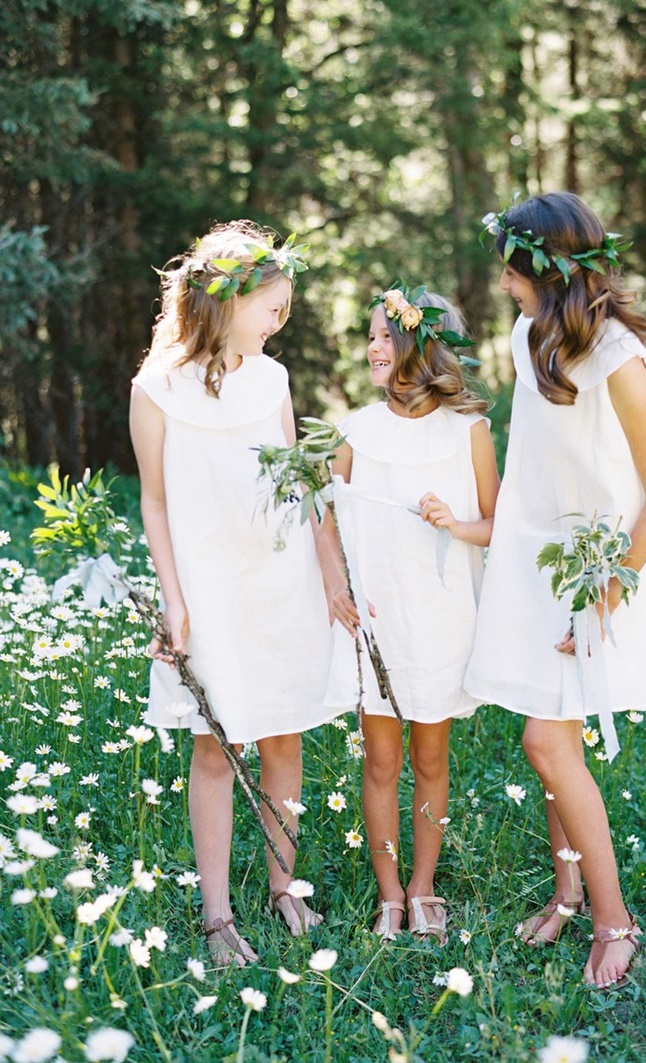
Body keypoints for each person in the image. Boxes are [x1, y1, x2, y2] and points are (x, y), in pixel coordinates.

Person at [465, 192, 646, 989]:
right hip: (534, 560)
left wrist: (603, 597)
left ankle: (614, 920)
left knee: (545, 741)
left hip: (599, 572)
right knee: (551, 733)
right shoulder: (529, 335)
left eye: (512, 272)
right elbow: (537, 461)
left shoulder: (618, 357)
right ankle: (567, 891)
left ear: (540, 269)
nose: (505, 285)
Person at [129, 220, 335, 963]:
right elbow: (154, 501)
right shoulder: (155, 389)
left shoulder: (271, 378)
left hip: (279, 578)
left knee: (285, 732)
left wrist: (330, 569)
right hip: (210, 586)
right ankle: (217, 914)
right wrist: (173, 598)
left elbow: (296, 477)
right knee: (217, 745)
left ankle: (285, 884)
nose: (279, 325)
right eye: (271, 309)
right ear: (225, 300)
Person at [323, 284, 500, 943]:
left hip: (441, 616)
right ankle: (390, 891)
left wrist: (456, 523)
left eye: (385, 335)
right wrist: (334, 581)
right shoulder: (355, 431)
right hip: (375, 617)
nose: (372, 346)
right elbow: (322, 514)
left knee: (431, 756)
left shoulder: (468, 432)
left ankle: (425, 884)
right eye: (369, 335)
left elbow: (497, 521)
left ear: (423, 346)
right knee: (379, 759)